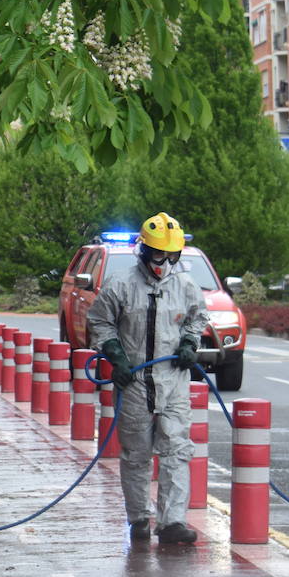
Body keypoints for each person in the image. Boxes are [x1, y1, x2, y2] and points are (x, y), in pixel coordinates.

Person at [86, 213, 209, 544]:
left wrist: (189, 343)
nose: (164, 262)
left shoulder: (185, 286)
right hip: (135, 383)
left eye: (171, 255)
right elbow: (100, 321)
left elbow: (197, 320)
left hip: (173, 381)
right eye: (158, 254)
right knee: (136, 454)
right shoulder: (121, 286)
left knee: (176, 450)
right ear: (144, 252)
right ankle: (139, 518)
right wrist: (116, 356)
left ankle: (171, 522)